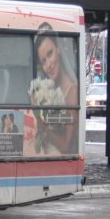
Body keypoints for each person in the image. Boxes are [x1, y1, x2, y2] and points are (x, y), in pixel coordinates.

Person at [31, 23, 78, 154]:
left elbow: (67, 146)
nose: (48, 65)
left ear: (58, 49)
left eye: (50, 54)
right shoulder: (48, 90)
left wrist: (43, 125)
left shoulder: (72, 93)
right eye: (43, 61)